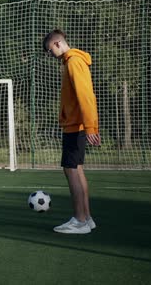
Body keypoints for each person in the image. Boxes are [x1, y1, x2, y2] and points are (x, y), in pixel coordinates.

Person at [43, 29, 101, 234]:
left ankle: (80, 220)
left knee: (71, 170)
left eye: (50, 50)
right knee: (76, 168)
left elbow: (86, 96)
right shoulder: (72, 61)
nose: (50, 55)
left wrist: (91, 125)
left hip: (76, 126)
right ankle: (87, 218)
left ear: (58, 44)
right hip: (77, 124)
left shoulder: (74, 62)